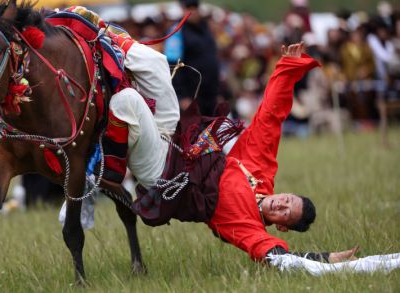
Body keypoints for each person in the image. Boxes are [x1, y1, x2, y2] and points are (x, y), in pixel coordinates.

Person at [131, 42, 356, 263]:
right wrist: (288, 69)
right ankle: (102, 35)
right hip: (178, 143)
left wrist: (326, 258)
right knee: (154, 61)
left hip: (166, 177)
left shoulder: (248, 227)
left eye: (285, 213)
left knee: (130, 102)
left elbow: (276, 256)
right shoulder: (260, 173)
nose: (281, 204)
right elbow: (269, 119)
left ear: (280, 227)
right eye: (287, 200)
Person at [164, 0, 220, 116]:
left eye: (195, 7)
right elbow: (173, 65)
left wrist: (219, 91)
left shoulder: (205, 28)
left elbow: (213, 59)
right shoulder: (177, 30)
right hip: (190, 95)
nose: (192, 11)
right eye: (188, 7)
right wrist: (181, 96)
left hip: (210, 94)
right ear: (182, 8)